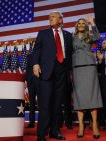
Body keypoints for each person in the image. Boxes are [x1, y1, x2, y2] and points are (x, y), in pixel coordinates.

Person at [32, 11, 73, 141]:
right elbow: (36, 50)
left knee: (57, 104)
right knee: (45, 104)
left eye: (53, 17)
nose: (50, 18)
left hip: (62, 71)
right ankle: (41, 135)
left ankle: (54, 131)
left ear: (61, 20)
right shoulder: (43, 33)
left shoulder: (68, 35)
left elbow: (70, 54)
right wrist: (35, 64)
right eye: (49, 17)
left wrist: (70, 71)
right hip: (46, 71)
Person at [71, 15, 102, 139]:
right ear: (77, 26)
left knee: (92, 95)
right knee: (79, 97)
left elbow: (98, 37)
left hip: (89, 67)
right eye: (79, 23)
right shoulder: (72, 38)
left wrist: (92, 23)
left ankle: (94, 124)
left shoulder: (89, 36)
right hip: (77, 68)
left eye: (84, 23)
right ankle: (81, 126)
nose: (81, 25)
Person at [25, 46, 39, 128]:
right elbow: (27, 69)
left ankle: (42, 122)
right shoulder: (29, 56)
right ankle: (31, 122)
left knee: (41, 103)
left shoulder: (41, 55)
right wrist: (28, 80)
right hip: (31, 82)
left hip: (39, 82)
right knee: (31, 104)